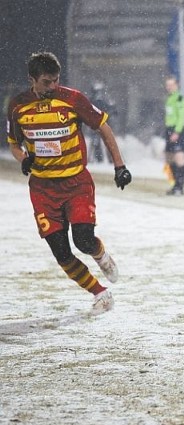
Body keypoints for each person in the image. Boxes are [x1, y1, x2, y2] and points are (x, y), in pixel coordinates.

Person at [5, 51, 132, 314]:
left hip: (76, 183)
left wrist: (119, 166)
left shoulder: (73, 99)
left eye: (55, 80)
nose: (52, 87)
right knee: (61, 251)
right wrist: (23, 159)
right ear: (32, 80)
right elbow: (14, 144)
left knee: (83, 240)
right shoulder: (18, 106)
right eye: (46, 82)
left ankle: (101, 255)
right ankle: (101, 294)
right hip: (42, 189)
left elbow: (104, 127)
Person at [164, 76, 184, 196]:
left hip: (177, 131)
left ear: (176, 85)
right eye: (167, 85)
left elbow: (181, 117)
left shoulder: (179, 98)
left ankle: (180, 186)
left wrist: (177, 132)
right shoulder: (169, 98)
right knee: (169, 158)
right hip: (169, 129)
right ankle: (174, 185)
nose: (169, 87)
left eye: (171, 85)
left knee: (179, 158)